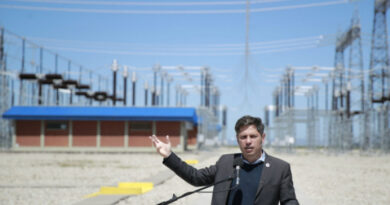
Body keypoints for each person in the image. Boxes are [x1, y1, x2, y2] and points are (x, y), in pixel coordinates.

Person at [150, 115, 299, 205]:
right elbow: (195, 177)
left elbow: (289, 202)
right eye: (243, 137)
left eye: (253, 136)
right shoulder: (226, 162)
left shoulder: (280, 168)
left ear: (263, 138)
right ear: (237, 140)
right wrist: (169, 156)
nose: (248, 141)